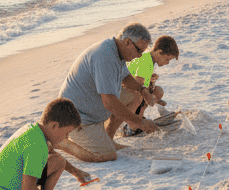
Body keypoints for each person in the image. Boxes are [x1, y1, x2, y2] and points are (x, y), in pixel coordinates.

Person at [58, 22, 160, 162]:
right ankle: (62, 143)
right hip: (78, 118)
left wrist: (143, 91)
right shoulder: (105, 56)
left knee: (135, 96)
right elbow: (109, 103)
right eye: (139, 51)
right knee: (108, 155)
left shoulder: (116, 50)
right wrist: (140, 122)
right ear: (128, 42)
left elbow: (125, 77)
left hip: (92, 109)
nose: (140, 56)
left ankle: (108, 137)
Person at [127, 35, 180, 114]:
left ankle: (138, 115)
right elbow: (138, 82)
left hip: (128, 89)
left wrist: (150, 80)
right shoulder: (147, 62)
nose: (168, 63)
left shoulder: (148, 57)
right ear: (159, 52)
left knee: (157, 91)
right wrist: (150, 97)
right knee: (154, 92)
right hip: (125, 91)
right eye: (167, 59)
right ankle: (138, 117)